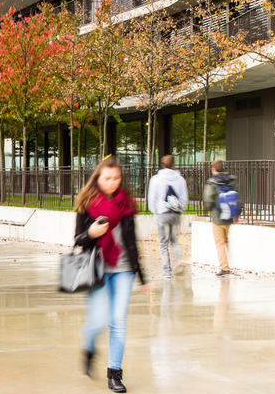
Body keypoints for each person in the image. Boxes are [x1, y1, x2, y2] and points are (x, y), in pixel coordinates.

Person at [74, 156, 145, 393]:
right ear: (98, 177)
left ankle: (115, 374)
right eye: (107, 178)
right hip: (97, 269)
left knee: (118, 321)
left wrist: (142, 276)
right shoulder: (86, 202)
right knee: (97, 321)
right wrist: (91, 233)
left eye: (116, 178)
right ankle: (89, 348)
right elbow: (78, 240)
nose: (112, 183)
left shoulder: (127, 203)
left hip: (124, 269)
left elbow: (133, 241)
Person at [148, 155, 188, 277]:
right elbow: (184, 198)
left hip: (162, 214)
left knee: (163, 243)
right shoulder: (180, 179)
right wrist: (181, 209)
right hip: (175, 214)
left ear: (163, 165)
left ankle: (167, 271)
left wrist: (155, 211)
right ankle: (178, 261)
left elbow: (152, 197)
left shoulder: (156, 179)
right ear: (173, 165)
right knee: (174, 241)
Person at [203, 159, 240, 276]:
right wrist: (238, 213)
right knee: (226, 240)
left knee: (219, 243)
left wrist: (208, 209)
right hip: (229, 215)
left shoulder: (212, 182)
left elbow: (208, 198)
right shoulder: (231, 180)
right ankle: (232, 263)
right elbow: (238, 196)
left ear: (213, 169)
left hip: (217, 216)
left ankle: (225, 268)